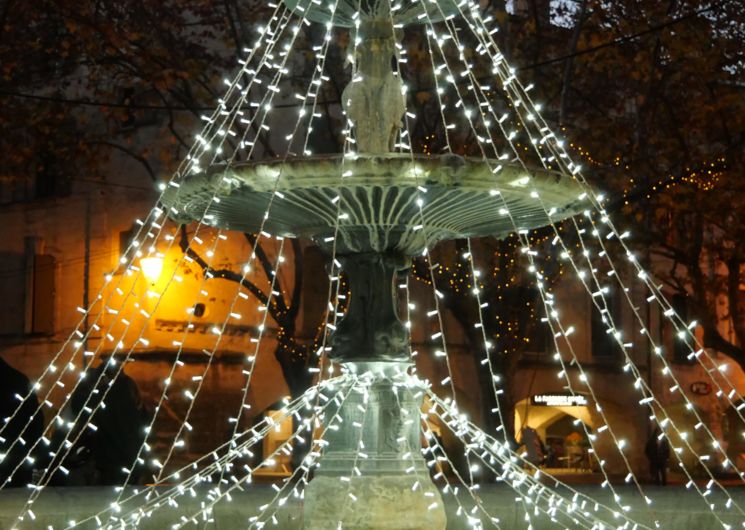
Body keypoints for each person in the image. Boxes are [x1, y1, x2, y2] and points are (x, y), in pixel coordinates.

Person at [0, 356, 44, 488]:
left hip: (14, 457)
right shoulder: (18, 379)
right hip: (17, 458)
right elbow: (36, 421)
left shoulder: (15, 380)